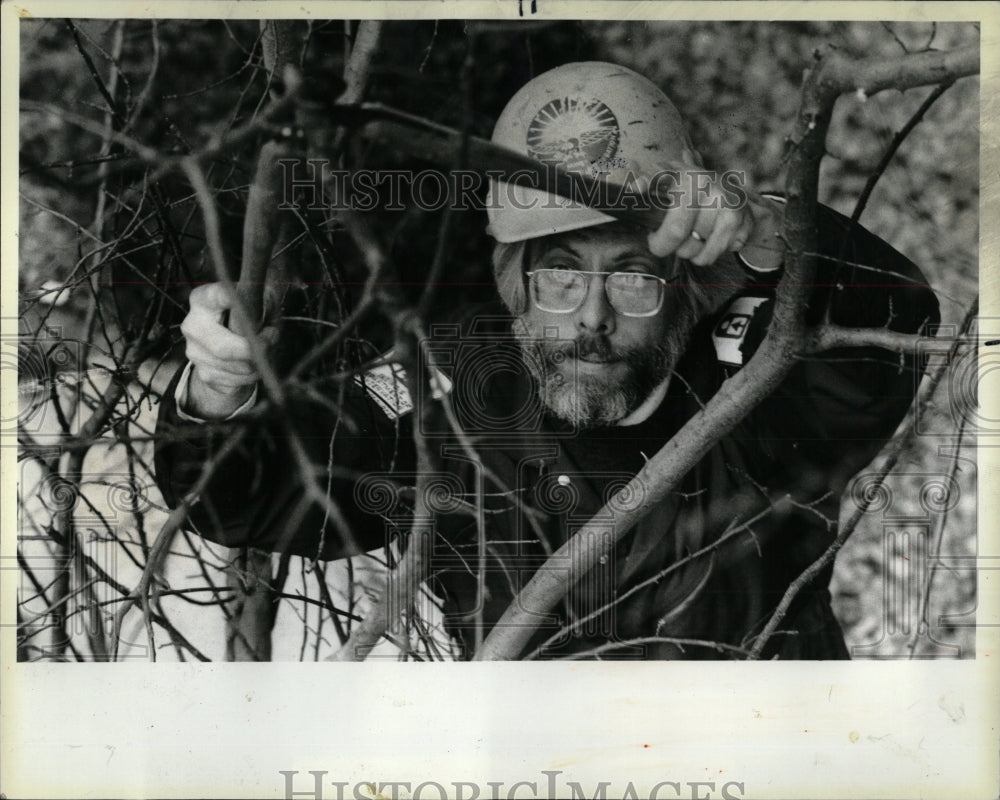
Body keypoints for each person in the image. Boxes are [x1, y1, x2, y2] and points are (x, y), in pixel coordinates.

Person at [154, 62, 939, 660]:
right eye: (561, 271)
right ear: (514, 280)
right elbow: (259, 498)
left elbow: (891, 317)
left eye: (631, 275)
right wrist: (222, 387)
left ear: (684, 280)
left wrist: (769, 232)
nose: (591, 318)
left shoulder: (759, 389)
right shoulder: (462, 404)